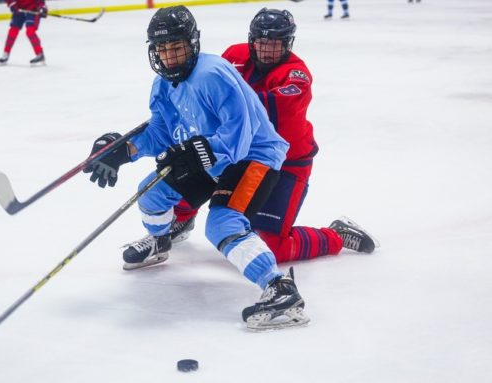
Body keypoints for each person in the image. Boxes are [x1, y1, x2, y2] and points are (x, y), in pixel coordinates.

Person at [84, 6, 309, 331]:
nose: (170, 57)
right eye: (163, 49)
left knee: (221, 223)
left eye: (177, 48)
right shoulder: (162, 84)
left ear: (193, 44)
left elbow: (240, 136)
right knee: (150, 194)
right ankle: (160, 242)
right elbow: (161, 132)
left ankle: (280, 289)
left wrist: (199, 151)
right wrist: (124, 150)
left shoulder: (213, 74)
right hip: (209, 158)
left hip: (254, 157)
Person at [128, 8, 377, 265]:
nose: (267, 50)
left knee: (272, 246)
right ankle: (182, 216)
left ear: (288, 43)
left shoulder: (296, 75)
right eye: (261, 42)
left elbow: (258, 107)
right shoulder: (234, 55)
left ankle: (335, 235)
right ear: (251, 39)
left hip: (282, 162)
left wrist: (217, 99)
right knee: (187, 165)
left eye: (276, 43)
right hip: (232, 150)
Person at [0, 0, 48, 65]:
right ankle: (6, 53)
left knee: (30, 31)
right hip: (18, 8)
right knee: (13, 30)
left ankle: (40, 54)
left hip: (32, 8)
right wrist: (11, 3)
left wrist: (42, 7)